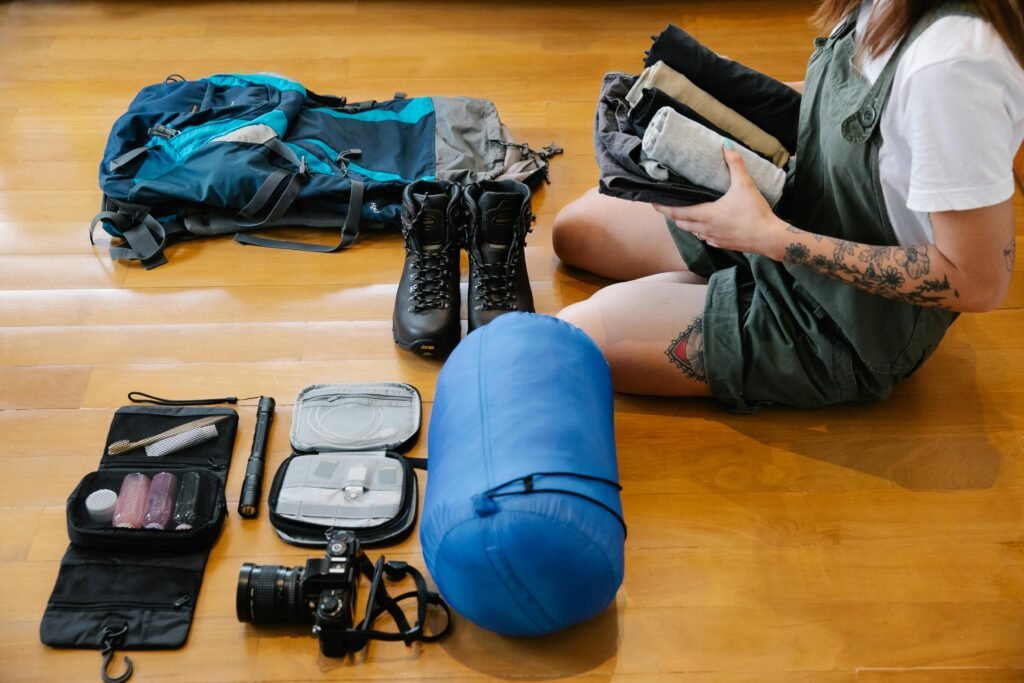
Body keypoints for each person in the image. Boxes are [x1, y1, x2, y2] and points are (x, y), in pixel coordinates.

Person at [553, 0, 1024, 412]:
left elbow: (977, 281)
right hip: (801, 204)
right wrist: (721, 89)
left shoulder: (953, 67)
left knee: (575, 339)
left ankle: (729, 293)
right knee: (574, 230)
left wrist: (771, 240)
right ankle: (720, 284)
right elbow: (859, 119)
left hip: (852, 320)